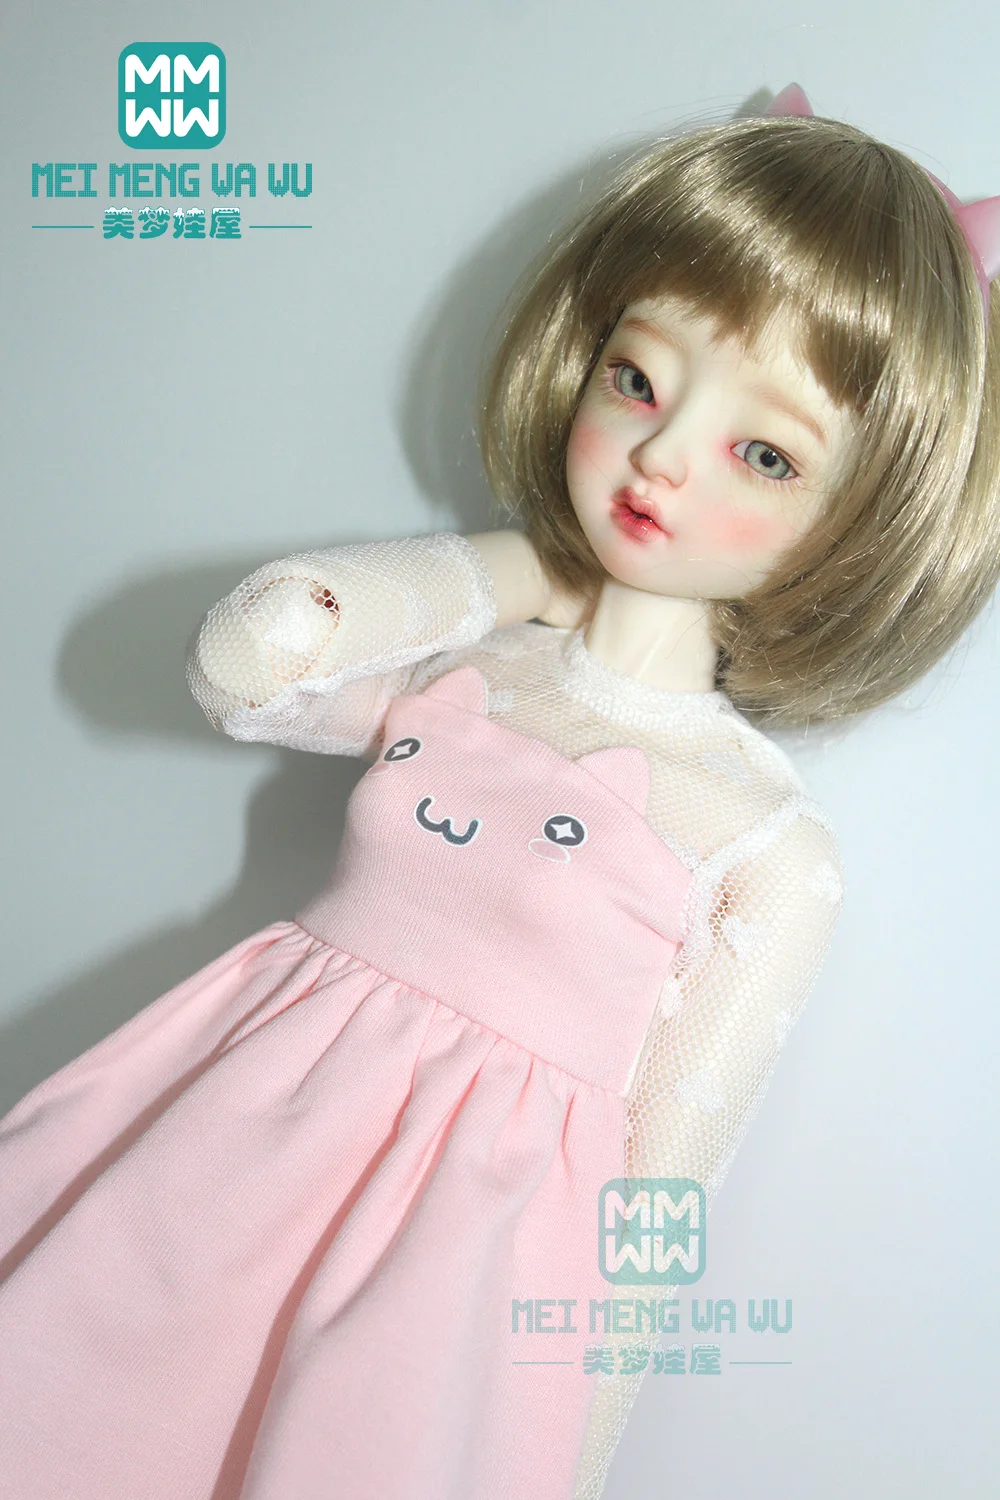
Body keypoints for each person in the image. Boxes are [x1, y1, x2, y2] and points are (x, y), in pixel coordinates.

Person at [1, 87, 999, 1500]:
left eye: (765, 453)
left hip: (451, 1266)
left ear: (863, 522)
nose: (662, 456)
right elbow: (252, 656)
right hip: (219, 1156)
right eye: (637, 379)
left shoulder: (762, 843)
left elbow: (664, 1193)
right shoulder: (474, 664)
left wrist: (571, 1450)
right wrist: (526, 568)